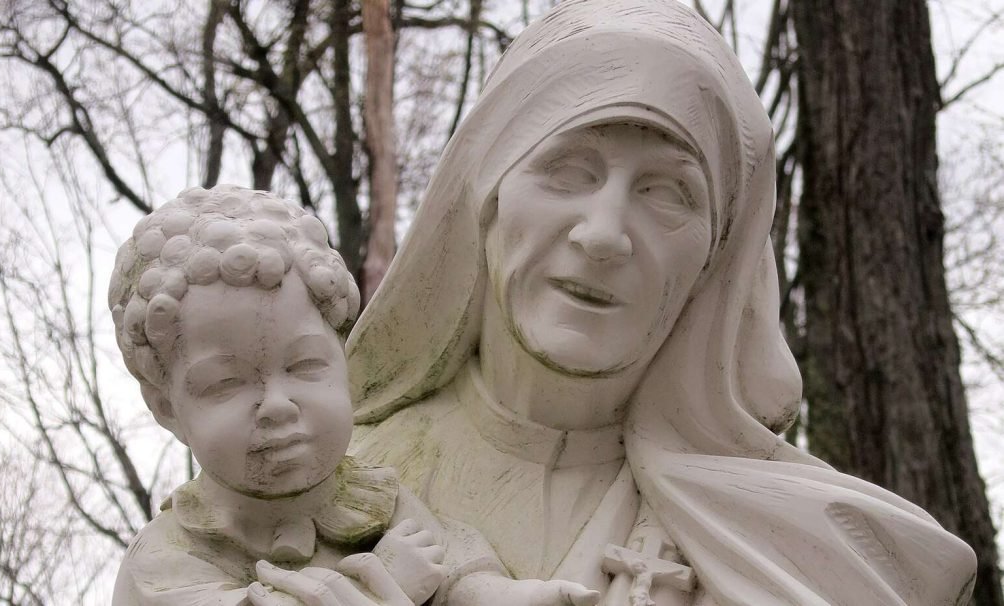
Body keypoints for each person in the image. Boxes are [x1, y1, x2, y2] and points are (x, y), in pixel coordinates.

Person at [347, 1, 978, 605]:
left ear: (716, 258)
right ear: (485, 196)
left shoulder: (828, 555)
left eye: (668, 193)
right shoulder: (322, 480)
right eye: (568, 170)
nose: (603, 234)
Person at [108, 186, 597, 606]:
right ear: (166, 409)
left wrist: (515, 596)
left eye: (305, 366)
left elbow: (457, 572)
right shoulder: (166, 561)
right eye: (225, 384)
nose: (277, 404)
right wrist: (384, 582)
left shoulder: (373, 501)